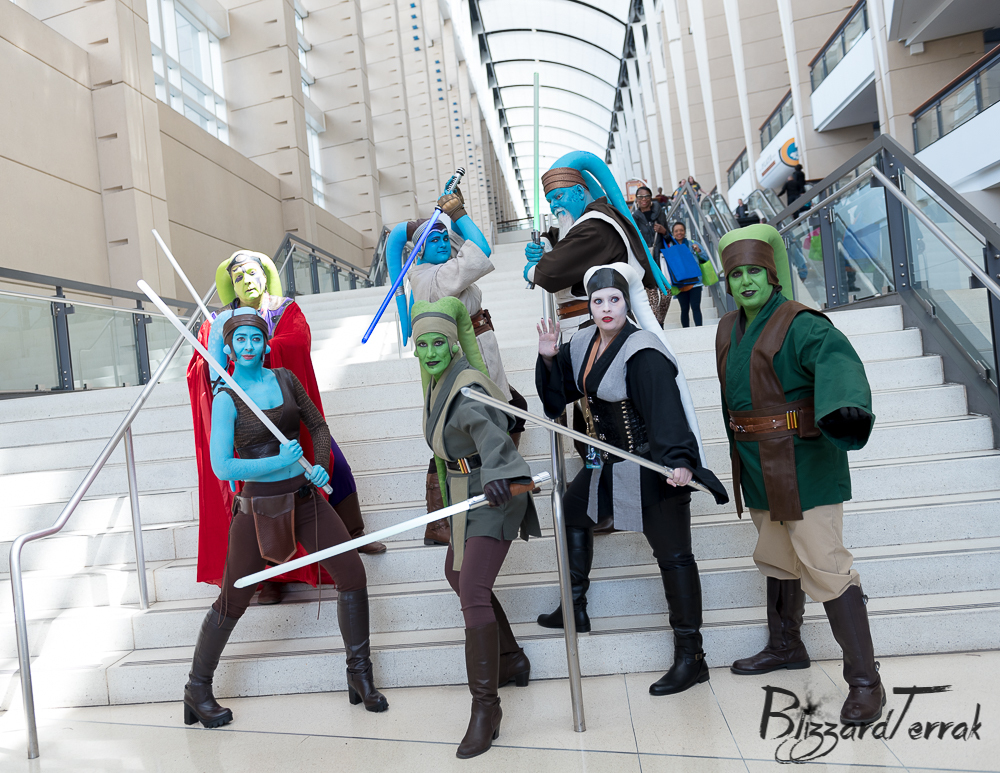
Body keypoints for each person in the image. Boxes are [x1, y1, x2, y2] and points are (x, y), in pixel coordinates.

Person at [183, 310, 388, 729]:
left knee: (352, 574)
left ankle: (359, 675)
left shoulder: (285, 380)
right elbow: (223, 466)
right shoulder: (226, 398)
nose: (248, 346)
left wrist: (320, 465)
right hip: (257, 508)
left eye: (255, 338)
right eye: (240, 339)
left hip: (305, 497)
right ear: (229, 347)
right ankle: (197, 688)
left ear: (266, 343)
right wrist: (277, 460)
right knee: (233, 599)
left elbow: (318, 426)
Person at [715, 224, 885, 726]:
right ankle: (786, 644)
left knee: (825, 565)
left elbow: (838, 361)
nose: (747, 282)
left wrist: (844, 404)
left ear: (772, 275)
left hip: (804, 463)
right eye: (737, 274)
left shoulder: (803, 323)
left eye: (755, 272)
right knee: (777, 557)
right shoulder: (727, 329)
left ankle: (865, 682)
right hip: (755, 464)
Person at [534, 263, 728, 696]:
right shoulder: (583, 341)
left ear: (627, 303)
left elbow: (665, 408)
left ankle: (691, 657)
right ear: (589, 305)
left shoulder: (644, 350)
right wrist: (548, 357)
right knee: (570, 513)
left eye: (614, 299)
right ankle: (574, 605)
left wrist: (679, 460)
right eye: (598, 300)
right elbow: (558, 396)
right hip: (606, 462)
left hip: (651, 464)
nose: (606, 308)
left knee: (674, 557)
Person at [186, 251, 384, 609]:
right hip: (249, 430)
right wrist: (222, 352)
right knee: (254, 501)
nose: (247, 280)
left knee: (334, 464)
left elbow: (296, 342)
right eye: (238, 276)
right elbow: (204, 367)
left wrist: (253, 351)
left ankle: (351, 535)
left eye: (253, 273)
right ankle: (272, 576)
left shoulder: (284, 310)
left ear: (265, 277)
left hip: (285, 412)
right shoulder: (217, 321)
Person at [413, 297, 541, 758]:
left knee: (471, 589)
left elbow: (495, 434)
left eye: (439, 343)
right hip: (464, 493)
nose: (431, 352)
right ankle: (510, 659)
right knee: (456, 574)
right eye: (423, 345)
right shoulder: (436, 383)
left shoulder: (465, 387)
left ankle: (486, 709)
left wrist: (502, 475)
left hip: (493, 491)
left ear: (453, 345)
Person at [388, 188, 528, 548]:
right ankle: (443, 517)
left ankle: (493, 483)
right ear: (417, 252)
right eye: (431, 241)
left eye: (443, 239)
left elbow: (463, 245)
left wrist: (446, 217)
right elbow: (481, 247)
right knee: (454, 432)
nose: (441, 243)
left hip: (479, 349)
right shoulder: (430, 277)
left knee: (512, 410)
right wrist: (458, 212)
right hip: (463, 359)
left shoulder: (439, 268)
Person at [630, 185, 673, 325]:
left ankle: (660, 322)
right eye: (640, 197)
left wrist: (664, 231)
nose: (643, 199)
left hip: (660, 259)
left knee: (666, 294)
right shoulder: (634, 218)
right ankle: (657, 327)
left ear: (650, 198)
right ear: (637, 199)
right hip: (645, 263)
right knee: (652, 298)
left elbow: (669, 238)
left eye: (646, 196)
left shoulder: (659, 213)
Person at [669, 222, 706, 328]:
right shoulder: (670, 247)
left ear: (685, 232)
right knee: (684, 309)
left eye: (681, 230)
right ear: (673, 233)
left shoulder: (693, 244)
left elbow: (705, 259)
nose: (679, 233)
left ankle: (700, 330)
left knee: (696, 307)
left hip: (695, 282)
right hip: (681, 283)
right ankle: (685, 331)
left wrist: (699, 251)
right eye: (676, 231)